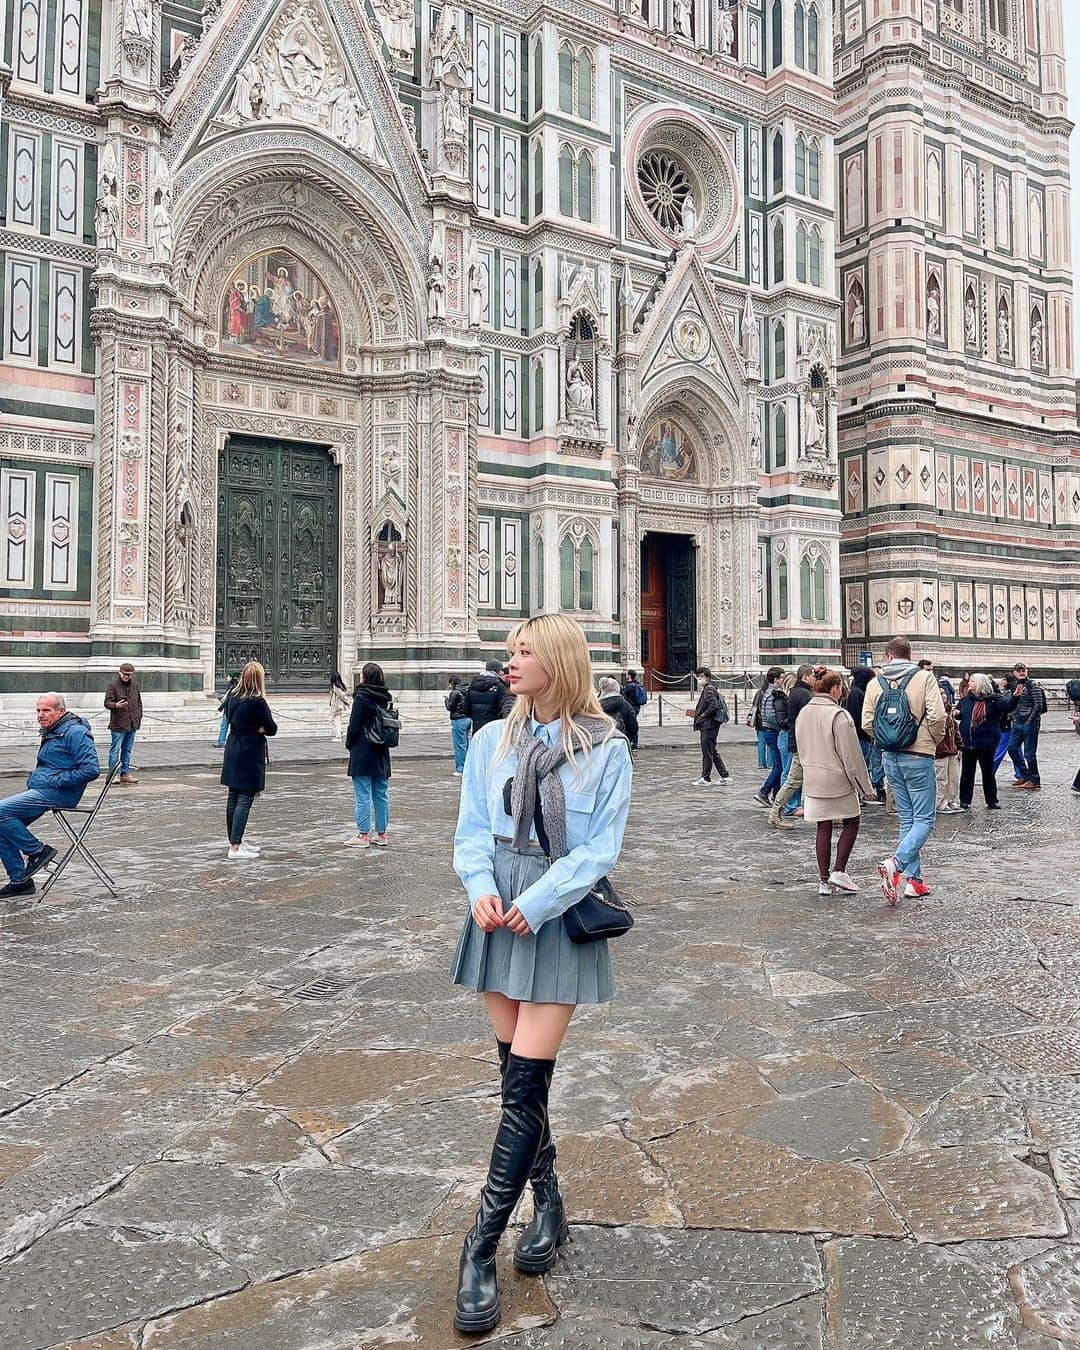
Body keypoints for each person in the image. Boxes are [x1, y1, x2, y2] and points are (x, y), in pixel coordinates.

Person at [449, 613, 632, 1335]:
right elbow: (470, 833)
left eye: (524, 652)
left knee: (525, 1086)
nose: (510, 662)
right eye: (511, 651)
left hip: (551, 916)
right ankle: (548, 1199)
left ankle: (477, 1249)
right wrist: (479, 890)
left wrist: (536, 900)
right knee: (518, 1084)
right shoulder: (493, 740)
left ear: (558, 662)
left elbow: (599, 852)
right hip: (497, 914)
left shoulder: (606, 751)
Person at [861, 637, 946, 905]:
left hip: (890, 758)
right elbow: (938, 717)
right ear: (910, 655)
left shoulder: (875, 683)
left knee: (907, 819)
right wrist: (931, 740)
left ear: (887, 656)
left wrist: (886, 740)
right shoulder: (924, 678)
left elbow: (866, 722)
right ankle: (895, 864)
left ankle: (915, 882)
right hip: (918, 756)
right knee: (925, 820)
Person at [0, 693, 100, 898]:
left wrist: (56, 780)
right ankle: (20, 880)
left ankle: (37, 852)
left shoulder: (75, 732)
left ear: (60, 711)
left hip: (60, 793)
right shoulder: (54, 730)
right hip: (44, 790)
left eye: (46, 710)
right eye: (38, 710)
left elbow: (91, 770)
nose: (40, 715)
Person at [797, 672, 876, 895]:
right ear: (834, 688)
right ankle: (839, 871)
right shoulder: (838, 715)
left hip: (813, 778)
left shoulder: (804, 712)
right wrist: (865, 788)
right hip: (837, 780)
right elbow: (851, 756)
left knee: (823, 826)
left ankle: (823, 881)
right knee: (852, 821)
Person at [220, 661, 277, 861]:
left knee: (233, 796)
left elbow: (229, 718)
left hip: (233, 746)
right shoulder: (257, 701)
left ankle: (235, 841)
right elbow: (272, 728)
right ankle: (235, 847)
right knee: (245, 797)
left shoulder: (233, 696)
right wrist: (259, 728)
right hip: (249, 750)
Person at [344, 662, 394, 848]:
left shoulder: (362, 696)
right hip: (381, 750)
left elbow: (354, 724)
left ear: (364, 677)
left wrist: (349, 743)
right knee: (381, 794)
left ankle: (363, 835)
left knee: (363, 794)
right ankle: (381, 834)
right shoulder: (385, 697)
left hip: (363, 749)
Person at [767, 664, 815, 829]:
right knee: (793, 780)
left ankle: (828, 814)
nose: (815, 678)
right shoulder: (803, 694)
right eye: (813, 675)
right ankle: (775, 813)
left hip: (801, 743)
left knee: (801, 780)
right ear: (806, 676)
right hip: (803, 744)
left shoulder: (798, 693)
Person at [958, 673, 1008, 811]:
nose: (969, 683)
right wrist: (956, 713)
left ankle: (991, 800)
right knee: (967, 772)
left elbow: (1008, 706)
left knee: (988, 772)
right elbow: (960, 712)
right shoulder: (967, 699)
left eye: (972, 681)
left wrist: (1015, 697)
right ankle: (964, 800)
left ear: (980, 684)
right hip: (969, 742)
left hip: (986, 742)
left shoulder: (994, 700)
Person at [686, 667, 733, 785]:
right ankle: (725, 776)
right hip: (710, 724)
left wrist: (702, 716)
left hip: (709, 725)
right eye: (698, 677)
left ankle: (705, 778)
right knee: (712, 751)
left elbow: (714, 705)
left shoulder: (709, 689)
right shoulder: (709, 689)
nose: (699, 679)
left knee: (707, 752)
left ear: (707, 677)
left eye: (701, 677)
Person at [1006, 661, 1047, 791]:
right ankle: (1025, 775)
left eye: (1023, 670)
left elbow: (1038, 705)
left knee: (1029, 753)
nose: (1021, 672)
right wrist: (1013, 716)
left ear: (1027, 671)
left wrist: (1029, 721)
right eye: (1019, 670)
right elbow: (1013, 702)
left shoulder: (1033, 685)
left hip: (1030, 723)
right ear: (1014, 673)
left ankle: (1034, 780)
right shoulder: (1014, 686)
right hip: (1018, 722)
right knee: (1012, 748)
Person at [846, 666, 885, 801]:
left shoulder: (858, 692)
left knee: (866, 764)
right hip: (861, 736)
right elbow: (857, 717)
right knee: (861, 765)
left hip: (863, 736)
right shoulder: (856, 694)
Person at [104, 663, 142, 784]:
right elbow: (107, 702)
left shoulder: (134, 686)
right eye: (125, 674)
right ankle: (113, 775)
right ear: (120, 673)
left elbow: (139, 703)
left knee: (127, 749)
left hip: (132, 723)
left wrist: (138, 716)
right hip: (118, 724)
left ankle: (125, 774)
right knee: (115, 750)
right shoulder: (113, 686)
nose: (126, 676)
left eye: (129, 675)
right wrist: (116, 705)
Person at [752, 667, 786, 808]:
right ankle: (764, 792)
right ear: (776, 679)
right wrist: (782, 726)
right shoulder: (773, 693)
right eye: (782, 677)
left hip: (768, 731)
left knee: (779, 765)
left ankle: (776, 794)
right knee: (779, 765)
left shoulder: (767, 691)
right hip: (772, 732)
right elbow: (772, 716)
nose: (783, 680)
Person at [464, 660, 515, 735]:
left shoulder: (473, 684)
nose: (502, 673)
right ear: (497, 671)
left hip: (477, 728)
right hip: (493, 728)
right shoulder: (499, 686)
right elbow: (503, 708)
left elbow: (466, 708)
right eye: (501, 671)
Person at [934, 683, 963, 814]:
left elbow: (955, 729)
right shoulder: (934, 711)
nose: (943, 696)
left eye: (944, 693)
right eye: (940, 694)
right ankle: (941, 803)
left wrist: (959, 745)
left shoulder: (948, 709)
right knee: (941, 778)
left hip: (952, 749)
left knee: (954, 778)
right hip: (940, 750)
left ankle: (952, 800)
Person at [598, 675, 638, 746]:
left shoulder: (596, 706)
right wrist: (626, 739)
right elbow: (633, 726)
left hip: (600, 744)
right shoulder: (626, 705)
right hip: (621, 743)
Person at [446, 674, 471, 776]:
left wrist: (446, 701)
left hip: (458, 719)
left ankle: (460, 768)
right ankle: (468, 766)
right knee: (466, 744)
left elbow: (450, 707)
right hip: (467, 718)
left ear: (452, 683)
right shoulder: (467, 690)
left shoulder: (455, 692)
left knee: (459, 745)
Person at [621, 670, 647, 750]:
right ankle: (634, 742)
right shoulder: (638, 684)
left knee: (631, 724)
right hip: (637, 707)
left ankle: (633, 742)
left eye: (627, 674)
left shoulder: (630, 686)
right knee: (633, 723)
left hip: (631, 708)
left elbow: (623, 695)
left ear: (629, 676)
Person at [213, 672, 239, 747]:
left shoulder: (234, 687)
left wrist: (220, 708)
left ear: (231, 677)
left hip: (230, 710)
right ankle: (222, 741)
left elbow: (228, 699)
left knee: (226, 725)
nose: (226, 678)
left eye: (228, 676)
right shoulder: (231, 686)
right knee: (225, 725)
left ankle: (222, 741)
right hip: (229, 709)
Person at [329, 672, 351, 742]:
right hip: (338, 706)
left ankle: (338, 736)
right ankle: (340, 732)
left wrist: (347, 702)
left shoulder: (336, 686)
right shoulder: (339, 685)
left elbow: (342, 695)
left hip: (337, 706)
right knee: (335, 720)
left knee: (333, 720)